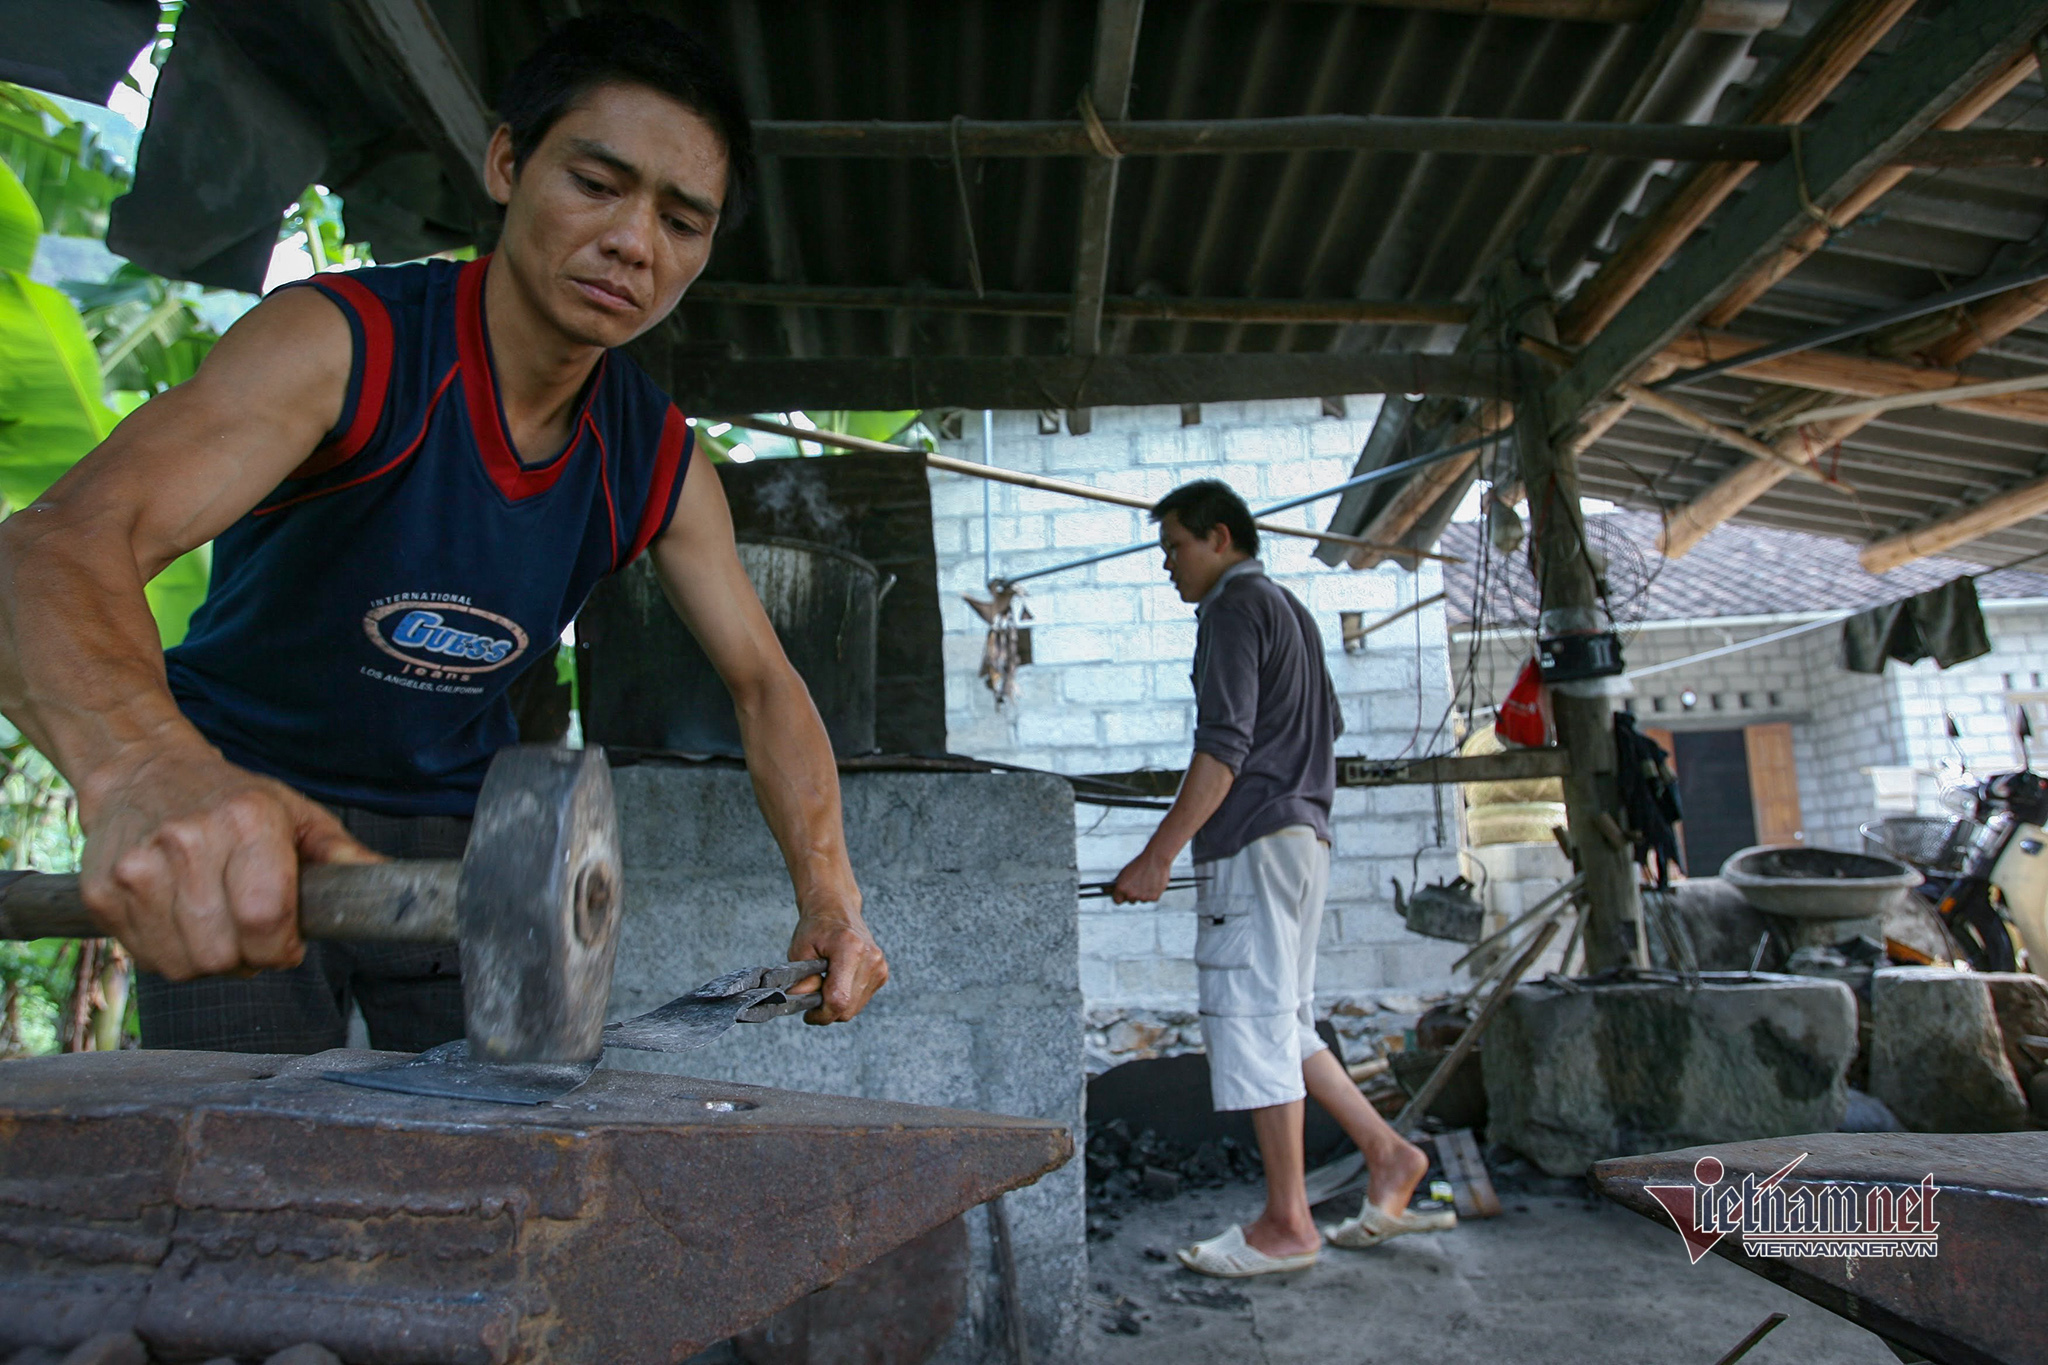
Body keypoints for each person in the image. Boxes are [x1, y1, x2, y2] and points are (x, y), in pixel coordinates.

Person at [0, 14, 886, 1052]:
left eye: (682, 222)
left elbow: (763, 681)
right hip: (239, 803)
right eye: (596, 185)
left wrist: (830, 891)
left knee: (500, 1155)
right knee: (244, 1168)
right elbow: (54, 547)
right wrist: (151, 772)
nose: (632, 244)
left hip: (466, 842)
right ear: (507, 161)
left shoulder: (654, 456)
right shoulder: (341, 345)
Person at [1111, 479, 1446, 1278]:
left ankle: (1288, 1222)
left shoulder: (1230, 610)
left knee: (1256, 1019)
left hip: (1254, 841)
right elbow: (1323, 727)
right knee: (1289, 1025)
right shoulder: (1291, 610)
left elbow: (1223, 748)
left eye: (1175, 548)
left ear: (1219, 537)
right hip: (1304, 839)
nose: (1168, 566)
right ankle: (1389, 1153)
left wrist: (1158, 853)